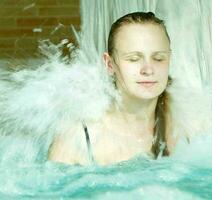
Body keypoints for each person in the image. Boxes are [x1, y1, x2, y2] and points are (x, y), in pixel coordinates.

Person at [48, 12, 178, 166]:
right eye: (134, 59)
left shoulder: (188, 130)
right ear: (110, 64)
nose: (148, 70)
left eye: (158, 58)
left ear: (169, 59)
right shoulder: (77, 140)